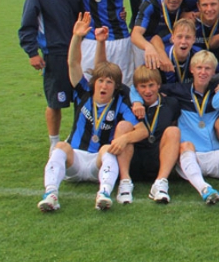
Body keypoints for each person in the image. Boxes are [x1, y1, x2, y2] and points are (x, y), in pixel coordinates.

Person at [38, 13, 146, 212]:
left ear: (116, 86)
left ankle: (103, 193)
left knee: (108, 150)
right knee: (60, 146)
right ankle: (51, 194)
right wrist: (77, 37)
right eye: (101, 81)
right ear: (94, 82)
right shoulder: (83, 92)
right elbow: (73, 63)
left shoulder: (120, 102)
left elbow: (142, 130)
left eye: (109, 82)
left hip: (99, 162)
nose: (104, 86)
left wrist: (124, 139)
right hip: (76, 159)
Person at [19, 0, 81, 151]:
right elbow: (27, 23)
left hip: (81, 53)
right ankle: (54, 144)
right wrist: (32, 52)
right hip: (55, 54)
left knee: (83, 100)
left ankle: (77, 139)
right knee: (55, 101)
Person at [164, 50, 219, 204]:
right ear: (192, 70)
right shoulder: (178, 90)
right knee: (184, 145)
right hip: (192, 156)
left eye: (208, 68)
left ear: (214, 72)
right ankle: (204, 189)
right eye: (199, 68)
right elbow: (146, 88)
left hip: (217, 157)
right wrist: (136, 101)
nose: (203, 72)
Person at [117, 66, 182, 204]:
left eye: (151, 85)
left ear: (159, 85)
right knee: (123, 126)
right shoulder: (128, 104)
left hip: (158, 159)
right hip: (133, 159)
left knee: (173, 131)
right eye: (142, 86)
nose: (147, 91)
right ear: (136, 88)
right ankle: (124, 181)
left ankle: (160, 183)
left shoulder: (171, 104)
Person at [130, 0, 189, 71]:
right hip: (147, 43)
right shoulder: (151, 2)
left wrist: (196, 14)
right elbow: (135, 35)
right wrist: (148, 47)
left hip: (170, 41)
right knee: (146, 75)